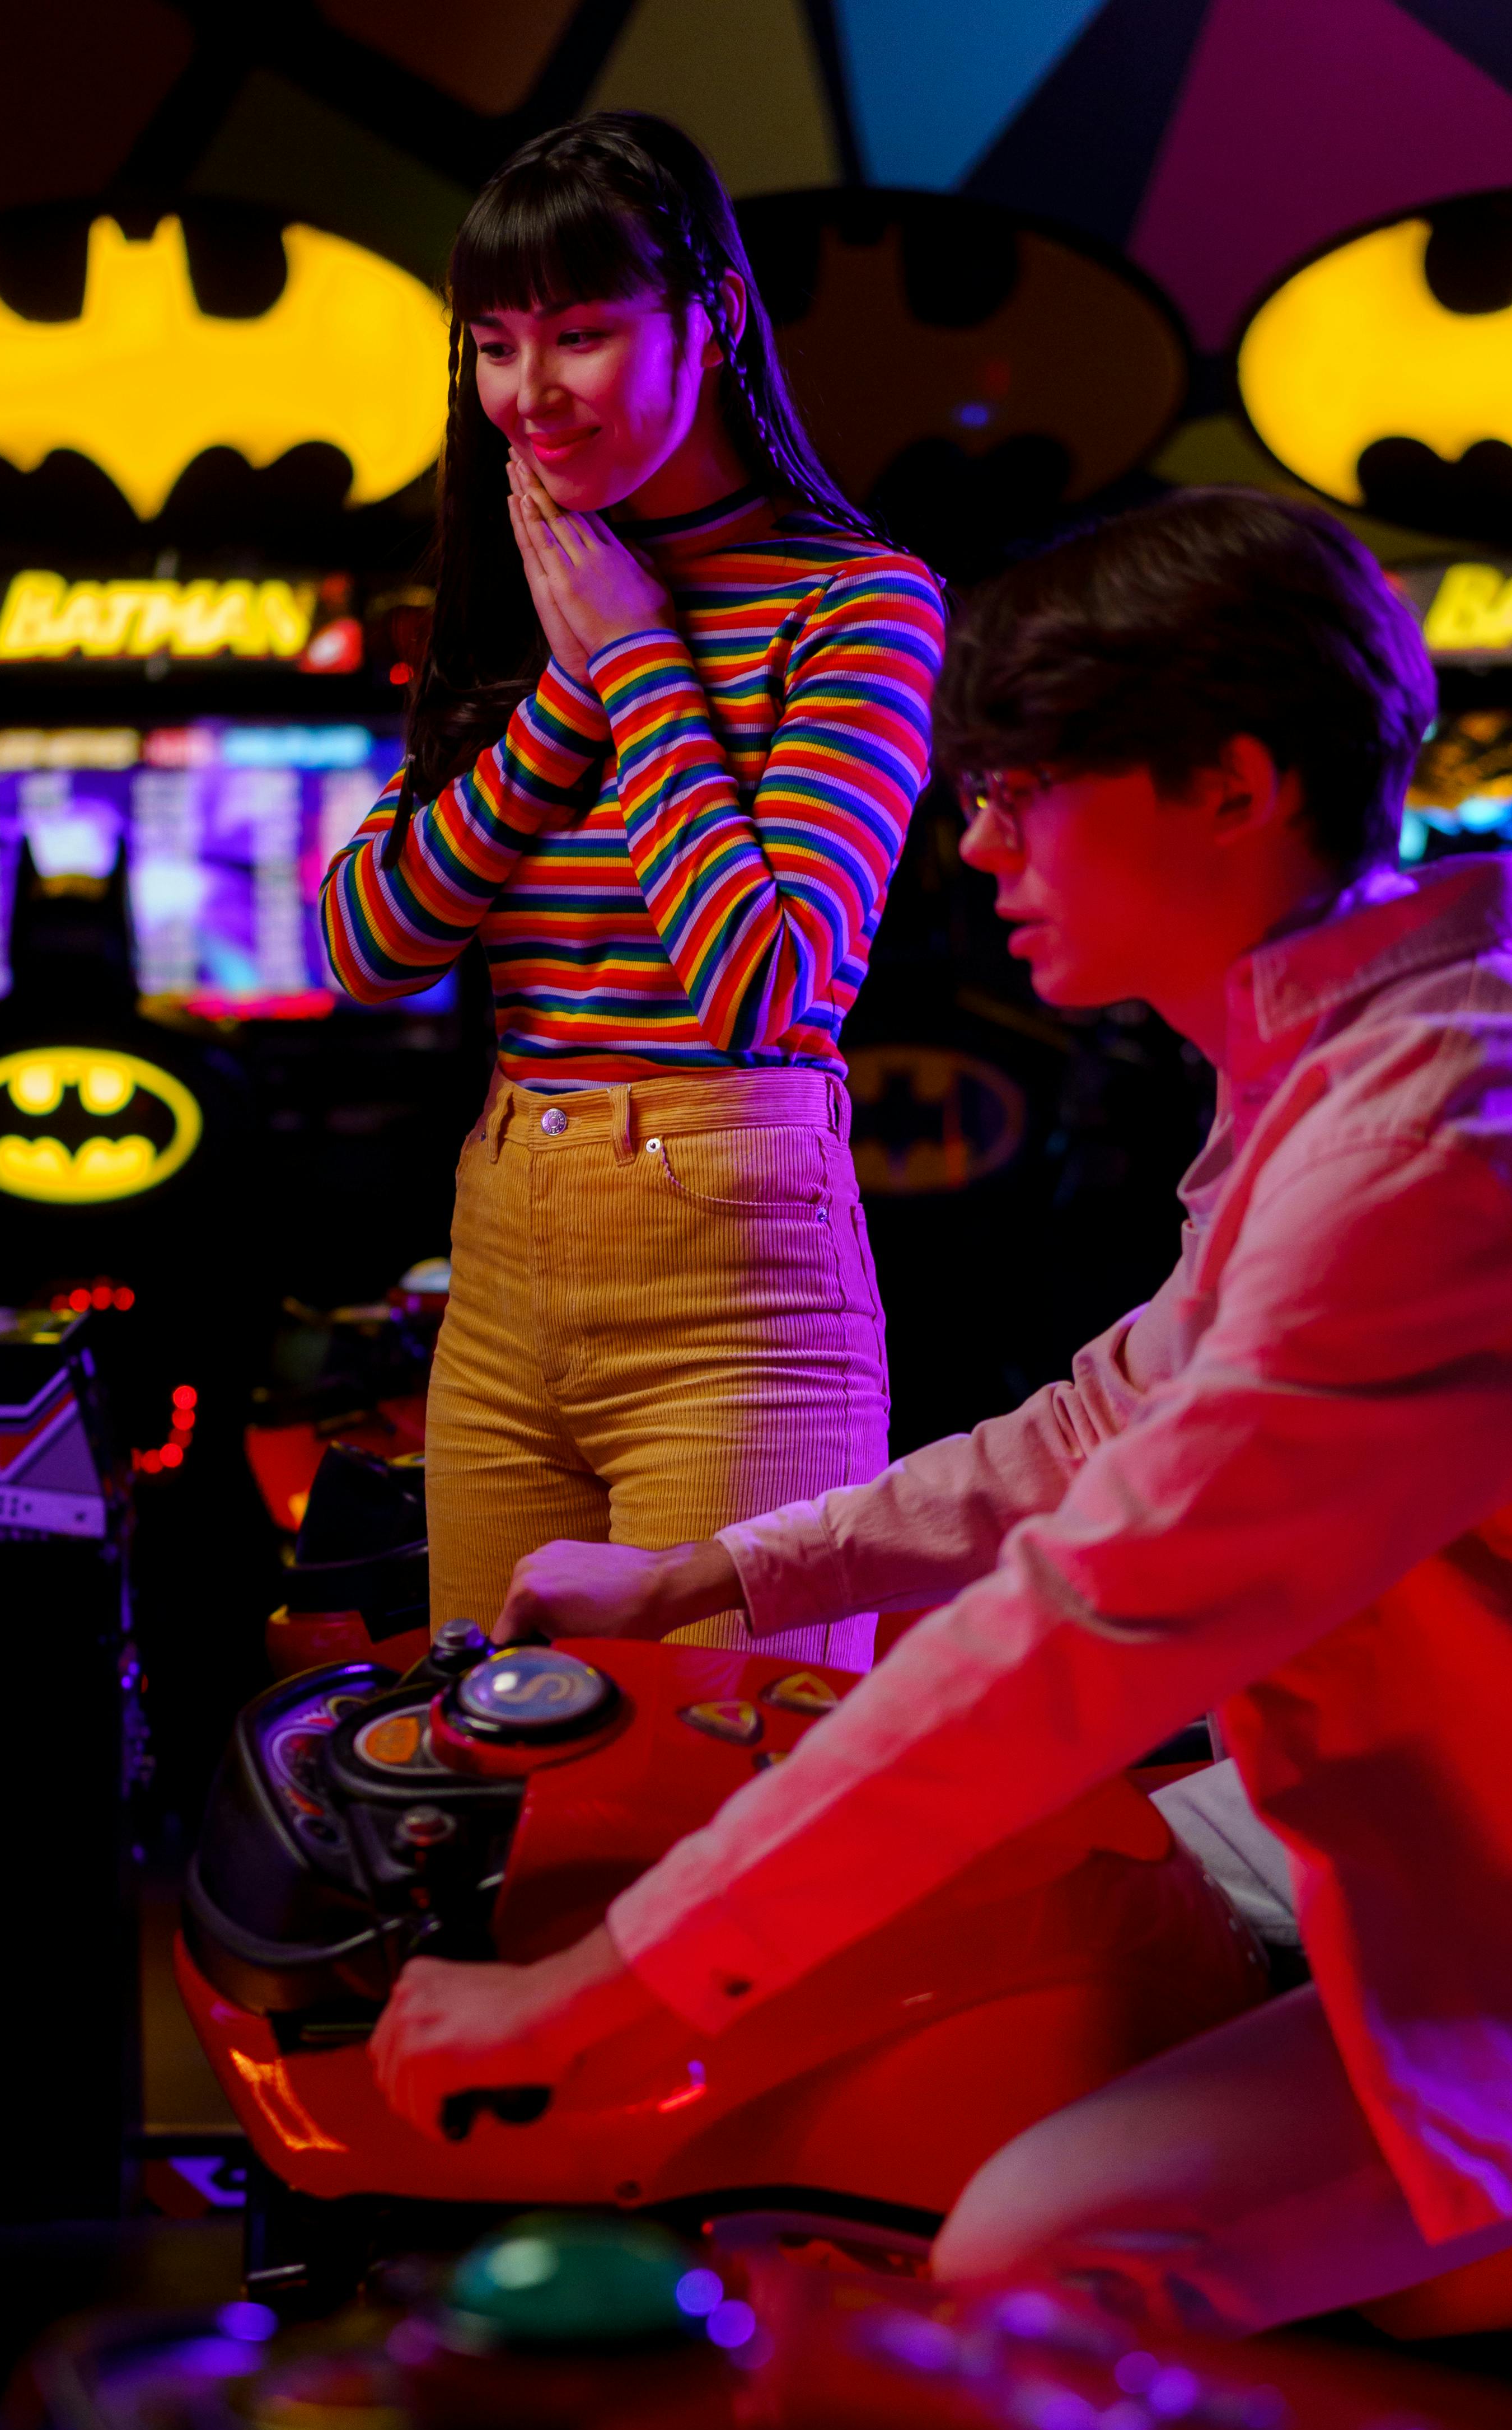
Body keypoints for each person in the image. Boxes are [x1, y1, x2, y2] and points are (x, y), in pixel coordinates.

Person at [365, 486, 1512, 2339]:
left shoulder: (1450, 1141)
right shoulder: (1357, 1054)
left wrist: (595, 1992)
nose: (973, 841)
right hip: (1433, 1798)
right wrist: (706, 1580)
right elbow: (1099, 1429)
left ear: (1232, 786)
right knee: (946, 1982)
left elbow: (1091, 1626)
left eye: (1024, 786)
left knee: (1030, 2250)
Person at [323, 114, 943, 1666]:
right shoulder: (516, 595)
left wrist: (645, 662)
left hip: (735, 1284)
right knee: (493, 1807)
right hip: (505, 1240)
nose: (530, 394)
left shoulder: (857, 602)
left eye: (583, 334)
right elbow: (366, 944)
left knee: (718, 1820)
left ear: (717, 317)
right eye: (495, 345)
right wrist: (574, 694)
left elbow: (767, 982)